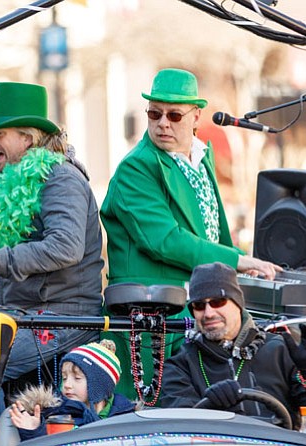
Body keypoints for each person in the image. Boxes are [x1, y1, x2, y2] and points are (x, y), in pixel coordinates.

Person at [100, 68, 281, 401]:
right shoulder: (135, 168)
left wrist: (235, 271)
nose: (162, 122)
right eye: (154, 114)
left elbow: (211, 234)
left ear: (196, 116)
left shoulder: (200, 158)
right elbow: (165, 240)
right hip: (153, 323)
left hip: (192, 315)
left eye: (174, 115)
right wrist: (237, 261)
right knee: (158, 416)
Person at [0, 82, 104, 416]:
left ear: (28, 138)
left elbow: (64, 247)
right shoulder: (20, 178)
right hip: (24, 314)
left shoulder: (61, 179)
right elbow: (12, 249)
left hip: (64, 317)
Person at [160, 262, 306, 442]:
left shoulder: (280, 349)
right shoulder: (181, 365)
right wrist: (210, 407)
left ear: (238, 303)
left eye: (218, 302)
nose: (208, 313)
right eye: (199, 305)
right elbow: (179, 434)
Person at [0, 340, 136, 445]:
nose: (67, 385)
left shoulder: (125, 417)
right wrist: (35, 432)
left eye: (77, 378)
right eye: (64, 378)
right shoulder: (54, 414)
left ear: (100, 385)